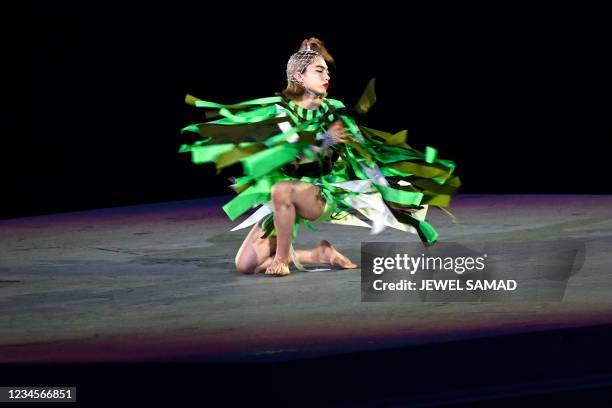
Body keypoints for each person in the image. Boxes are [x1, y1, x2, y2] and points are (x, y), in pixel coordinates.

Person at [179, 38, 460, 277]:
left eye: (327, 71)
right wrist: (324, 140)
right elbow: (292, 154)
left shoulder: (336, 110)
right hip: (284, 200)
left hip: (321, 195)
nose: (328, 77)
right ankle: (319, 254)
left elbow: (366, 159)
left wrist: (393, 200)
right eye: (319, 71)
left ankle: (282, 259)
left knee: (281, 190)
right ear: (299, 77)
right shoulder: (281, 112)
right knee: (246, 264)